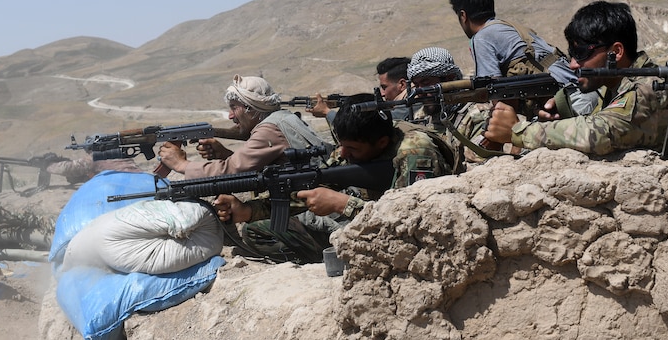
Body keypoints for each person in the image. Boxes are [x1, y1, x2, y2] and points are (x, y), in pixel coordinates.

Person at [214, 93, 453, 259]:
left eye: (353, 150)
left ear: (382, 142)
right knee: (258, 227)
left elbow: (413, 225)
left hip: (416, 245)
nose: (343, 154)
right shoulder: (353, 143)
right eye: (342, 145)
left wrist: (342, 204)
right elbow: (313, 184)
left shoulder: (416, 152)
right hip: (372, 223)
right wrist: (249, 210)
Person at [483, 1, 668, 154]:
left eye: (581, 53)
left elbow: (597, 133)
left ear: (616, 52)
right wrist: (562, 115)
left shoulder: (647, 89)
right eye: (571, 53)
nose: (573, 64)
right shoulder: (614, 86)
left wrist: (519, 131)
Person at [448, 0, 598, 117]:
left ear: (463, 16)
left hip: (570, 104)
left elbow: (495, 92)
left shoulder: (481, 38)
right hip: (587, 94)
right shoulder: (513, 28)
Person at [157, 74, 331, 178]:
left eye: (234, 108)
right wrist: (225, 154)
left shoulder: (269, 130)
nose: (231, 115)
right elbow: (267, 167)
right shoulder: (282, 118)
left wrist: (181, 165)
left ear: (252, 109)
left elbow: (229, 170)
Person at [405, 46, 495, 171]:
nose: (420, 91)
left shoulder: (476, 115)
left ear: (450, 79)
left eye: (426, 83)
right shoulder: (421, 116)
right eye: (417, 85)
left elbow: (478, 166)